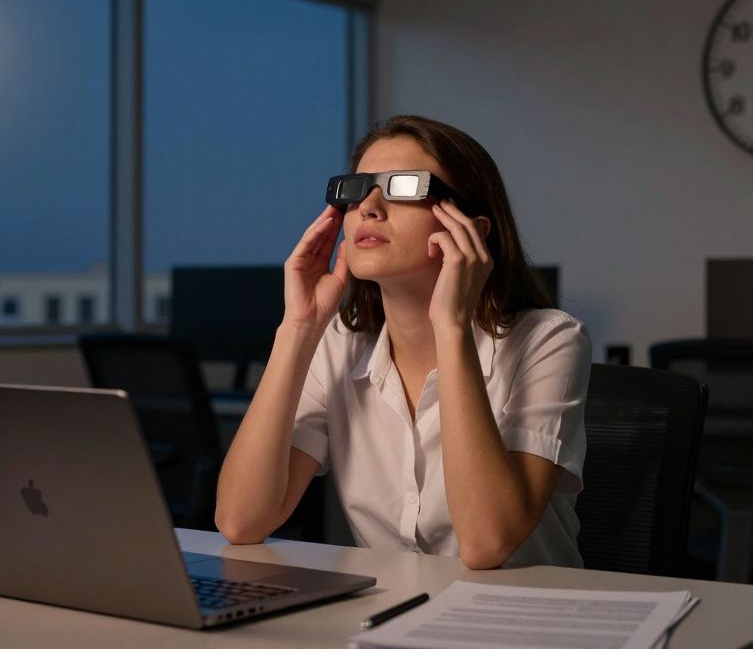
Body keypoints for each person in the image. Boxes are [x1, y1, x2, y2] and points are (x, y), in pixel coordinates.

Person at [215, 115, 590, 569]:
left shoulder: (549, 339)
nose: (370, 207)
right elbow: (240, 520)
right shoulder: (337, 344)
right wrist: (298, 328)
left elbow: (487, 544)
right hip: (394, 621)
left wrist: (451, 328)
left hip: (525, 625)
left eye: (404, 186)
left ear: (469, 229)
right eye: (359, 189)